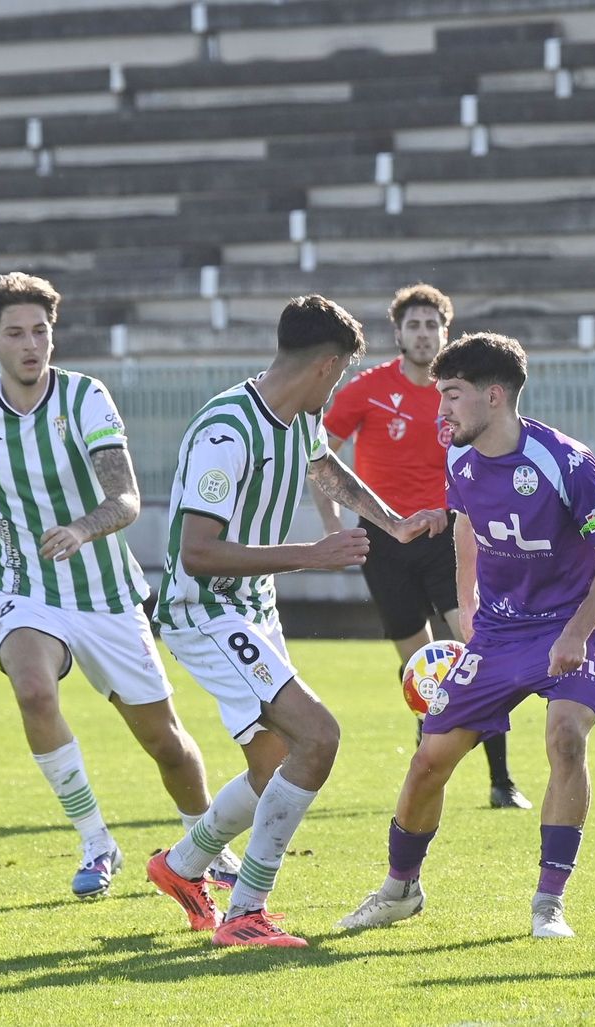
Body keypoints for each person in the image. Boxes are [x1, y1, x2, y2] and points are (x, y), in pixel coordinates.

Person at [0, 271, 237, 901]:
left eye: (41, 331)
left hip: (107, 596)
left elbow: (126, 498)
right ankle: (96, 841)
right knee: (33, 690)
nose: (31, 344)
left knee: (167, 745)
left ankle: (205, 843)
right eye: (16, 333)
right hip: (23, 591)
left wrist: (82, 528)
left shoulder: (85, 398)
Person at [145, 294, 447, 949]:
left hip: (249, 606)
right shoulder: (227, 430)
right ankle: (247, 912)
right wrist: (310, 556)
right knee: (318, 738)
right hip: (207, 608)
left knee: (272, 763)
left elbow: (325, 470)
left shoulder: (294, 418)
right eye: (339, 376)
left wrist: (394, 522)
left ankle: (182, 865)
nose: (337, 388)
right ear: (326, 366)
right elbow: (196, 552)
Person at [339, 332, 595, 939]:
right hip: (499, 631)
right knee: (428, 761)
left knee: (566, 740)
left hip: (572, 623)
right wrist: (469, 611)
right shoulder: (456, 453)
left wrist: (577, 632)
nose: (439, 409)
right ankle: (399, 889)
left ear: (493, 396)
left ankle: (548, 903)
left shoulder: (567, 462)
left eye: (451, 395)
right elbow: (467, 527)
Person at [315, 282, 529, 810]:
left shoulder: (461, 394)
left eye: (432, 324)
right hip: (385, 541)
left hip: (450, 537)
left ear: (445, 332)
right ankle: (428, 748)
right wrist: (334, 526)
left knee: (476, 649)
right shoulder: (366, 389)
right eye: (413, 325)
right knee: (418, 662)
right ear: (398, 333)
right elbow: (319, 456)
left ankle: (502, 781)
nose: (423, 333)